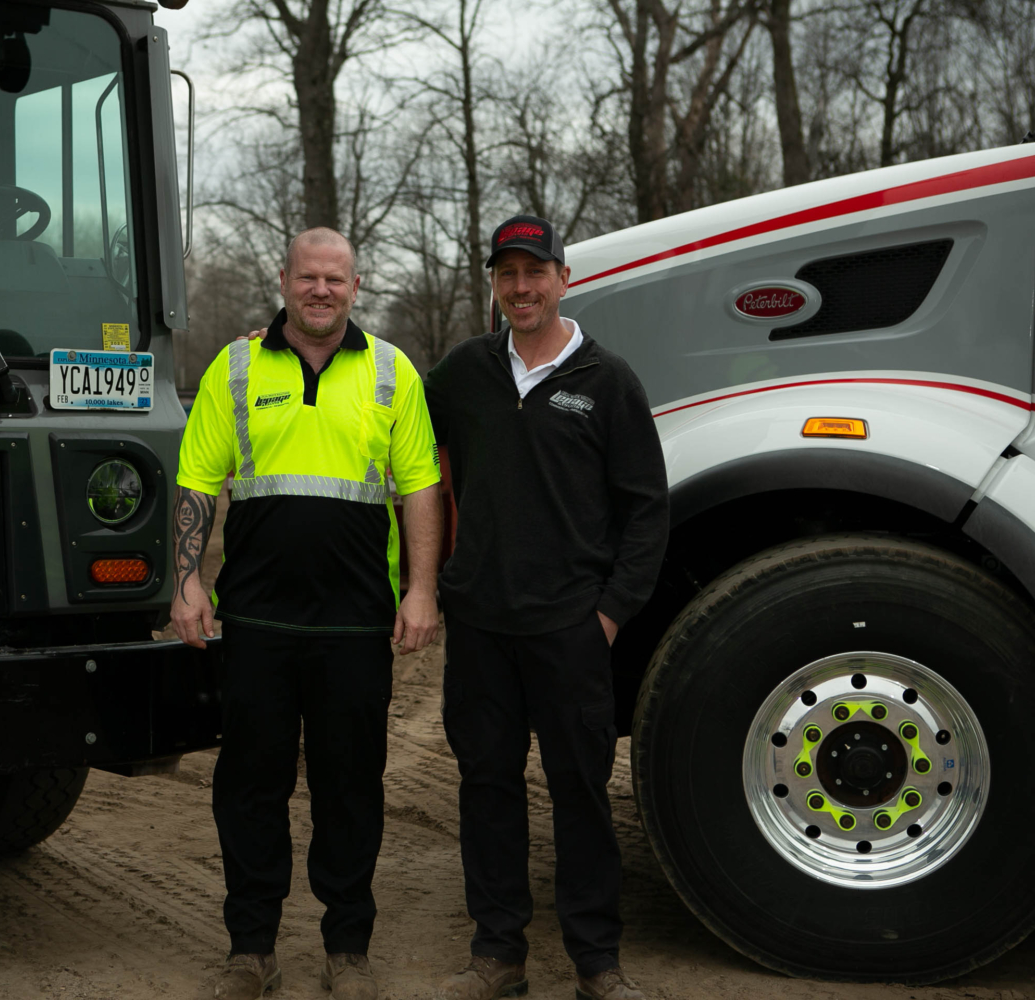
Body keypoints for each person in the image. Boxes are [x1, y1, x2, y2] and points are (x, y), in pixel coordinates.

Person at [170, 227, 442, 1000]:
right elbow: (197, 481)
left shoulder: (392, 371)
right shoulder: (235, 367)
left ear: (356, 286)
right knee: (249, 786)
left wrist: (422, 590)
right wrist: (186, 581)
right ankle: (250, 950)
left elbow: (421, 487)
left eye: (335, 278)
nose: (321, 290)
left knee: (349, 788)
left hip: (356, 623)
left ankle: (348, 949)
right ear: (284, 280)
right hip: (256, 621)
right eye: (307, 277)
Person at [424, 216, 669, 1000]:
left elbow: (646, 509)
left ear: (565, 278)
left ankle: (597, 962)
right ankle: (498, 955)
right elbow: (387, 425)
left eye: (535, 272)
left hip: (571, 628)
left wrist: (609, 615)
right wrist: (291, 343)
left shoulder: (607, 381)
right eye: (507, 274)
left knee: (581, 795)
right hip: (481, 626)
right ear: (494, 285)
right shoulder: (464, 372)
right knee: (487, 788)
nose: (521, 288)